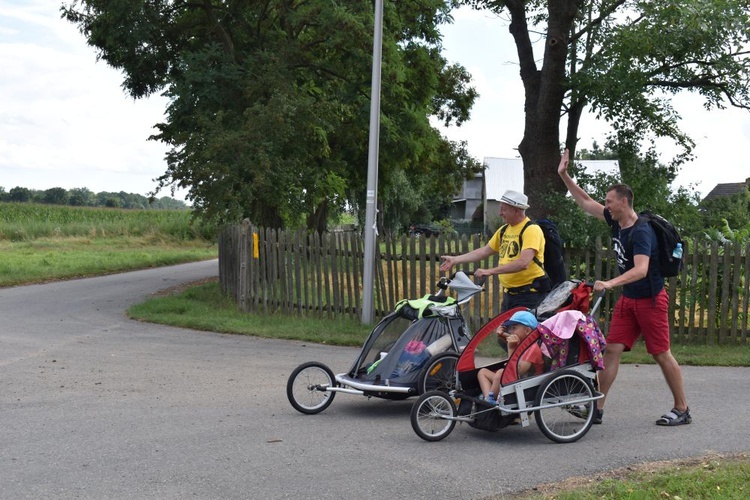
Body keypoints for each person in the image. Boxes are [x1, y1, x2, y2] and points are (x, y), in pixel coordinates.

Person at [557, 149, 691, 426]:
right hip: (628, 301)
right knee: (611, 350)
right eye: (605, 202)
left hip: (651, 300)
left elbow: (641, 270)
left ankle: (682, 409)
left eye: (609, 201)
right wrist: (564, 174)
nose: (605, 206)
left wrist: (610, 283)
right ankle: (596, 408)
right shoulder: (616, 222)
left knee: (660, 353)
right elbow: (584, 201)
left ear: (624, 201)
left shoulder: (641, 231)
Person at [439, 190, 550, 312]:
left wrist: (490, 271)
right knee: (503, 330)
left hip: (529, 296)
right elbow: (484, 251)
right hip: (510, 295)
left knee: (519, 331)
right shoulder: (504, 230)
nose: (500, 213)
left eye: (503, 209)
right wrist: (455, 260)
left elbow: (523, 263)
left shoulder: (531, 230)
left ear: (516, 210)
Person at [477, 310, 542, 404]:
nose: (510, 331)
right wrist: (500, 334)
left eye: (514, 328)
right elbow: (510, 337)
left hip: (527, 385)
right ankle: (488, 399)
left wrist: (511, 349)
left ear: (527, 331)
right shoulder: (524, 341)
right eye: (510, 328)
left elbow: (517, 371)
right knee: (482, 372)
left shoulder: (533, 349)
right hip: (518, 381)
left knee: (500, 373)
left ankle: (491, 400)